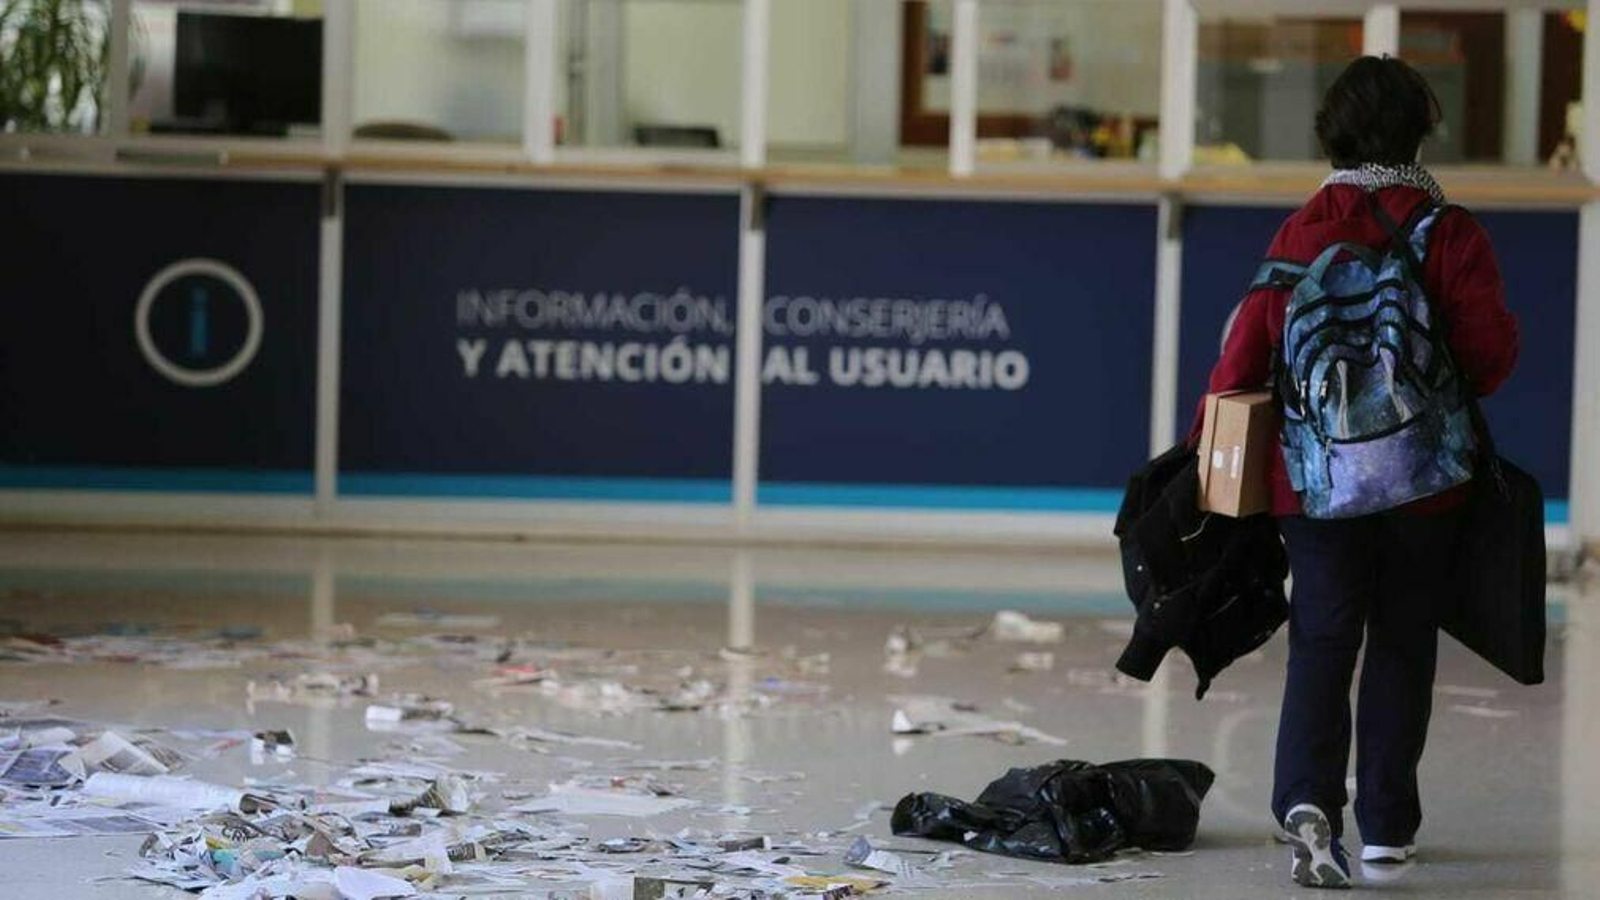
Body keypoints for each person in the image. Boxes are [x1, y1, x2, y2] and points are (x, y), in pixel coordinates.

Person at [1199, 56, 1519, 889]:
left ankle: (1306, 800)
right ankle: (1386, 827)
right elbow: (1489, 358)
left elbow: (1243, 358)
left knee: (1324, 637)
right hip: (1424, 481)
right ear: (1419, 131)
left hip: (1315, 483)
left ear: (1331, 133)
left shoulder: (1302, 229)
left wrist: (1210, 450)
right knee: (1403, 640)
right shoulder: (1447, 231)